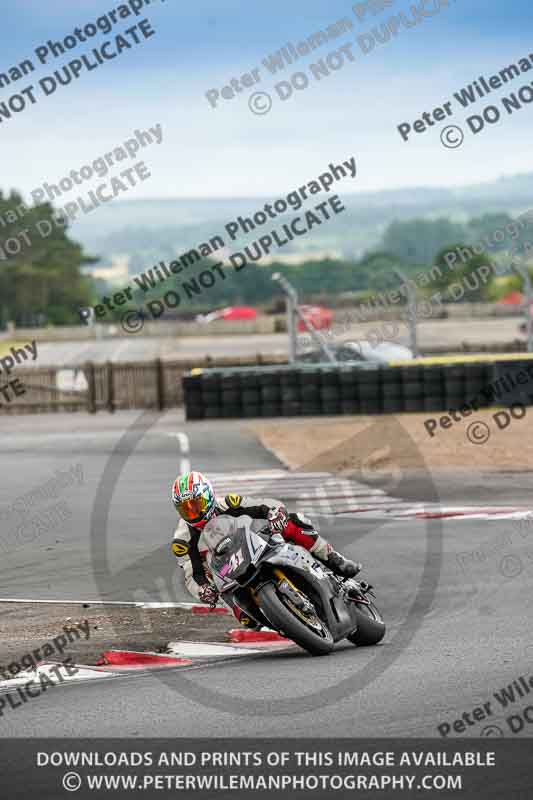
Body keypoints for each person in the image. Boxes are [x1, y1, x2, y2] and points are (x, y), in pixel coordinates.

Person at [170, 470, 361, 621]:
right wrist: (202, 590)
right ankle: (276, 616)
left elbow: (261, 504)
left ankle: (334, 559)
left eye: (196, 504)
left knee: (291, 521)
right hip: (227, 574)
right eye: (185, 509)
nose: (192, 512)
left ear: (208, 495)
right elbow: (192, 574)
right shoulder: (182, 540)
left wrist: (275, 513)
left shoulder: (226, 503)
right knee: (247, 620)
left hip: (253, 546)